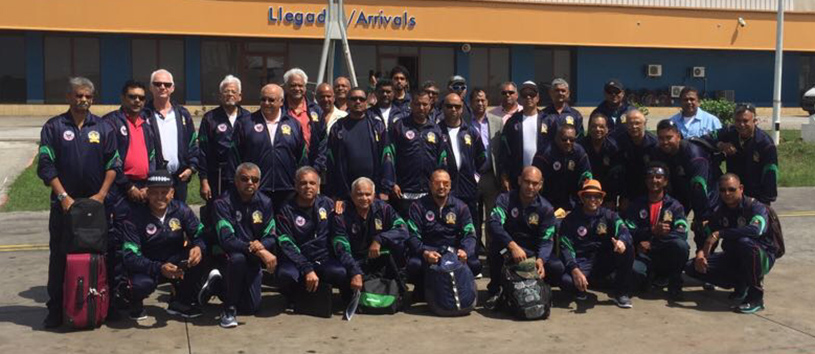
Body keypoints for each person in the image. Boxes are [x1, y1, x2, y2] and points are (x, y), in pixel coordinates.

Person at [39, 77, 120, 328]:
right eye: (78, 95)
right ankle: (55, 310)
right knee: (60, 257)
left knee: (100, 254)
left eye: (87, 96)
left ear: (92, 99)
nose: (82, 100)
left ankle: (101, 305)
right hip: (65, 205)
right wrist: (63, 197)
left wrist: (101, 196)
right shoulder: (53, 127)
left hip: (95, 206)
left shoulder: (104, 127)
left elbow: (113, 163)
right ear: (68, 97)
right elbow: (46, 165)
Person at [121, 170, 206, 320]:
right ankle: (135, 303)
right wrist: (158, 268)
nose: (159, 197)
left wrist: (198, 247)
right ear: (147, 192)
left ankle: (180, 301)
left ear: (172, 193)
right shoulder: (134, 217)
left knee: (200, 257)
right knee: (141, 284)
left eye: (164, 192)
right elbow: (130, 256)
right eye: (154, 192)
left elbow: (200, 233)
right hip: (149, 266)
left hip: (175, 262)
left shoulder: (181, 210)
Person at [685, 174, 777, 313]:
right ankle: (740, 284)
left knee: (745, 243)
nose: (727, 194)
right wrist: (701, 254)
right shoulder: (720, 210)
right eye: (722, 190)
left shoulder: (755, 207)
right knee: (692, 267)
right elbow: (710, 235)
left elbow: (755, 230)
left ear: (741, 188)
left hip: (761, 256)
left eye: (731, 189)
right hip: (735, 257)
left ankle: (756, 298)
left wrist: (721, 234)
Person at [209, 162, 278, 327]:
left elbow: (271, 236)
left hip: (252, 256)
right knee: (238, 259)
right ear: (236, 180)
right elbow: (227, 240)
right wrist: (258, 251)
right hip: (227, 254)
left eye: (254, 180)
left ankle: (217, 285)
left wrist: (260, 245)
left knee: (250, 308)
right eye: (245, 179)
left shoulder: (265, 202)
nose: (250, 183)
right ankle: (229, 309)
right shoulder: (222, 203)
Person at [484, 166, 557, 308]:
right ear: (519, 181)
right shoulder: (505, 199)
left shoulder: (546, 208)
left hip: (532, 253)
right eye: (527, 182)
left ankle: (541, 288)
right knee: (495, 251)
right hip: (508, 250)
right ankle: (496, 289)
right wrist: (512, 246)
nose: (530, 187)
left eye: (535, 183)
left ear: (540, 185)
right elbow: (494, 223)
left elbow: (547, 239)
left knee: (557, 267)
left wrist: (541, 259)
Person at [555, 179, 635, 308]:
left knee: (628, 248)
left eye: (596, 196)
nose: (592, 199)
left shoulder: (610, 216)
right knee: (566, 281)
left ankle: (621, 293)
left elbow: (624, 230)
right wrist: (575, 270)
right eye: (588, 196)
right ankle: (584, 285)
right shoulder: (571, 219)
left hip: (604, 259)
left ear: (602, 199)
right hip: (582, 261)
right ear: (581, 198)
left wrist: (622, 241)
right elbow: (565, 247)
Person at [275, 167, 348, 303]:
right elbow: (286, 243)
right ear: (296, 185)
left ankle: (319, 295)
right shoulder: (285, 210)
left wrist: (344, 204)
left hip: (322, 258)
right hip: (296, 261)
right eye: (303, 183)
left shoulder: (327, 204)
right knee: (286, 275)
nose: (308, 187)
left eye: (312, 183)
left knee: (340, 272)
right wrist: (306, 268)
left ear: (318, 186)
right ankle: (295, 297)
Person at [228, 84, 308, 207]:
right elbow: (234, 156)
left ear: (281, 102)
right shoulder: (245, 123)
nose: (266, 103)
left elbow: (301, 158)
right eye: (263, 99)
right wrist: (236, 184)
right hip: (255, 189)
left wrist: (300, 184)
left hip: (287, 189)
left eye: (271, 100)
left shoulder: (293, 124)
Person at [406, 170, 480, 299]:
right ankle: (422, 289)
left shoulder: (461, 207)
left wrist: (465, 251)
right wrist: (425, 252)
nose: (441, 187)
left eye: (445, 183)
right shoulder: (417, 206)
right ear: (430, 185)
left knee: (475, 264)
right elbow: (412, 235)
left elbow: (470, 233)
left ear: (450, 185)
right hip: (429, 252)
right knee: (413, 265)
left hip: (453, 252)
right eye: (437, 183)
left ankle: (459, 287)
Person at [623, 162, 690, 300]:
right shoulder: (636, 205)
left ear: (665, 181)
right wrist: (651, 231)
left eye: (659, 177)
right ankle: (649, 278)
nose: (654, 180)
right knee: (633, 274)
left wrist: (653, 242)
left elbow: (682, 234)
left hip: (664, 254)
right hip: (642, 254)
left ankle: (675, 283)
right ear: (646, 180)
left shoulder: (675, 206)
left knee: (681, 246)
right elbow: (628, 231)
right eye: (650, 177)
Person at [332, 177, 409, 289]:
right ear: (352, 195)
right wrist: (355, 271)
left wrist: (379, 239)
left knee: (399, 246)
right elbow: (341, 248)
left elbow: (403, 229)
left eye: (368, 194)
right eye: (359, 194)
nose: (364, 198)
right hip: (354, 260)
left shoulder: (384, 208)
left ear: (373, 195)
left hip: (376, 257)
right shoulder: (341, 214)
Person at [324, 87, 393, 201]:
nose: (358, 102)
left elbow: (387, 157)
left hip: (372, 192)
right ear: (347, 102)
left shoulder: (377, 126)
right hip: (345, 191)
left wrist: (385, 189)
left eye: (361, 99)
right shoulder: (338, 128)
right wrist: (334, 192)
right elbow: (331, 161)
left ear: (366, 102)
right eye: (354, 99)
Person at [701, 103, 778, 205]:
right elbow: (705, 139)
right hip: (731, 194)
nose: (741, 125)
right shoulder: (729, 132)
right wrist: (720, 145)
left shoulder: (765, 143)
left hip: (755, 196)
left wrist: (765, 201)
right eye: (738, 121)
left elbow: (771, 174)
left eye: (745, 121)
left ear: (755, 121)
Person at [387, 91, 446, 216]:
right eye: (417, 104)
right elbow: (388, 155)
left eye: (425, 104)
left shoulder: (436, 129)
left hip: (429, 190)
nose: (421, 108)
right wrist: (392, 182)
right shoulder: (399, 126)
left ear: (430, 106)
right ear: (411, 105)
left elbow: (442, 159)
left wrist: (440, 184)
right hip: (404, 190)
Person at [652, 119, 719, 226]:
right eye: (661, 138)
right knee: (669, 226)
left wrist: (701, 217)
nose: (665, 142)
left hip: (706, 194)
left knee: (703, 230)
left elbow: (699, 188)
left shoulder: (695, 154)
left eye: (669, 137)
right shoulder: (658, 152)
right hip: (681, 191)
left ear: (678, 136)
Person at [145, 69, 198, 202]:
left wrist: (191, 168)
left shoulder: (182, 114)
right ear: (151, 87)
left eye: (167, 84)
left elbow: (193, 143)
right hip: (153, 178)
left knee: (177, 219)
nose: (162, 87)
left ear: (172, 88)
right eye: (158, 84)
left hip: (179, 178)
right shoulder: (143, 114)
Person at [198, 75, 251, 201]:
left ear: (240, 96)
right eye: (226, 91)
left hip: (243, 174)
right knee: (218, 208)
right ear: (220, 96)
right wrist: (204, 181)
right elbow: (202, 151)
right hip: (218, 174)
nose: (230, 94)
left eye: (234, 91)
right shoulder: (210, 118)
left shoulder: (249, 117)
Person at [439, 93, 486, 233]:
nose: (453, 109)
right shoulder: (435, 131)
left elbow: (481, 157)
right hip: (445, 190)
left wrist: (475, 177)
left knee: (470, 226)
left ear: (462, 109)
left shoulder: (471, 132)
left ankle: (472, 254)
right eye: (449, 106)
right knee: (447, 226)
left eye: (457, 106)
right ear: (443, 108)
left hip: (468, 189)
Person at [471, 87, 504, 251]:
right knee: (473, 217)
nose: (480, 103)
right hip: (471, 177)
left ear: (488, 102)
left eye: (483, 100)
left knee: (492, 217)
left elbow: (502, 150)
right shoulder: (465, 122)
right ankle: (474, 252)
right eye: (476, 100)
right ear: (471, 103)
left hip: (491, 176)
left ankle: (493, 254)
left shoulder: (496, 121)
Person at [532, 124, 592, 212]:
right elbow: (535, 179)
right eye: (564, 139)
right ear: (556, 138)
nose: (568, 142)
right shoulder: (545, 153)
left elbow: (587, 176)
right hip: (548, 201)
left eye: (572, 140)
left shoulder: (579, 152)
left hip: (572, 202)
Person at [499, 81, 547, 191]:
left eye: (532, 94)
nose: (528, 97)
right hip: (518, 177)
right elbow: (504, 151)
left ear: (538, 97)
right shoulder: (512, 122)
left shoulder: (548, 121)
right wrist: (504, 176)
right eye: (525, 95)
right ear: (520, 98)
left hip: (544, 177)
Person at [577, 113, 623, 209]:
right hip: (583, 195)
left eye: (601, 127)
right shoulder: (580, 146)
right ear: (589, 128)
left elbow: (615, 177)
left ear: (607, 129)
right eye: (594, 126)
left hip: (606, 197)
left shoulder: (613, 148)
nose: (598, 129)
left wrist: (610, 199)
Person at [617, 109, 658, 211]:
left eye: (637, 123)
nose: (634, 127)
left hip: (649, 191)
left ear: (645, 123)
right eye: (630, 123)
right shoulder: (619, 142)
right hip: (627, 192)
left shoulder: (654, 145)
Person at [282, 68, 322, 151]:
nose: (297, 89)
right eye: (293, 85)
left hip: (312, 161)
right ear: (286, 87)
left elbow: (323, 139)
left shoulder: (316, 109)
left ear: (305, 87)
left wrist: (319, 163)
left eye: (300, 85)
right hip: (287, 160)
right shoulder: (279, 108)